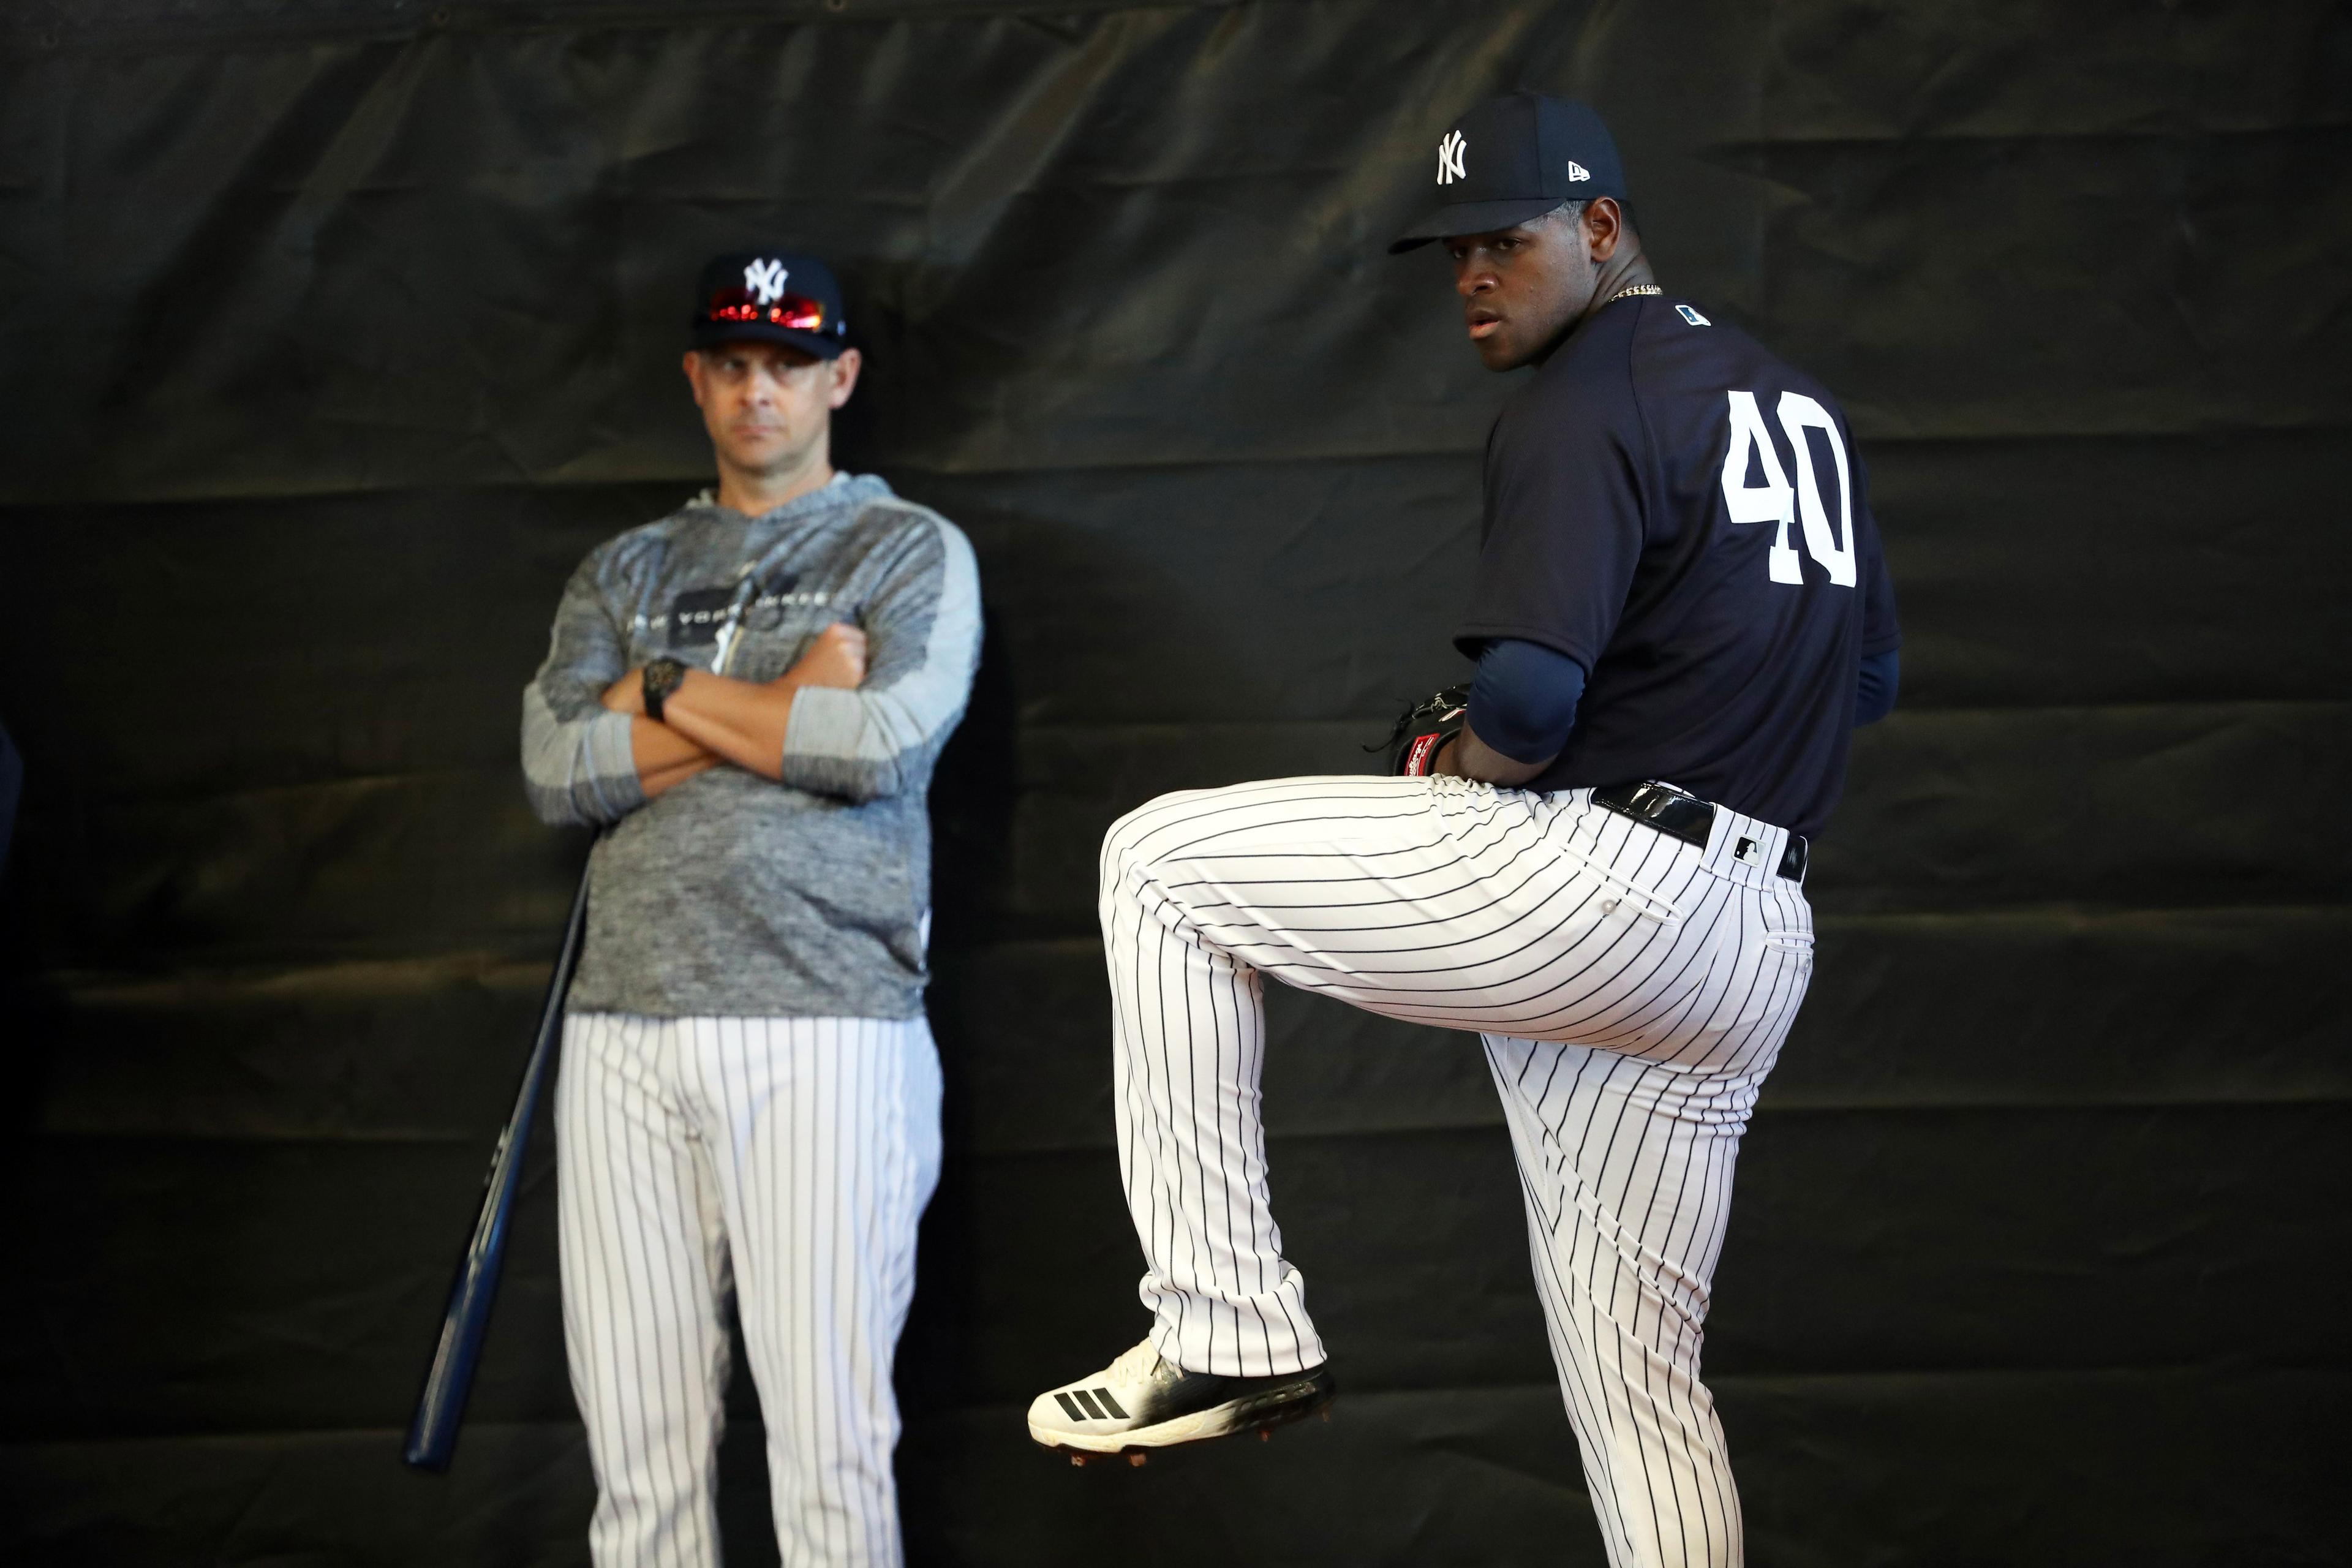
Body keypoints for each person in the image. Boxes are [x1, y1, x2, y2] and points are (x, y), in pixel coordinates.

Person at [1025, 92, 1899, 1568]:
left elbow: (1533, 700)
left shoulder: (1587, 392)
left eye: (1507, 237)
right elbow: (1867, 678)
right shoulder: (1788, 400)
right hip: (1756, 936)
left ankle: (1228, 1326)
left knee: (1159, 861)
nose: (1474, 273)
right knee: (1641, 1390)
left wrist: (1458, 752)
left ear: (1602, 229)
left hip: (1614, 888)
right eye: (1455, 248)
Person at [521, 247, 981, 1567]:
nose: (758, 390)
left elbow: (879, 746)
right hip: (621, 1031)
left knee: (829, 1450)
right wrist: (780, 697)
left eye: (787, 362)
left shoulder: (903, 549)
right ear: (697, 377)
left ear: (839, 374)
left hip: (825, 1025)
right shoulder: (628, 567)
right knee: (640, 1468)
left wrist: (648, 698)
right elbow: (557, 770)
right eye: (733, 362)